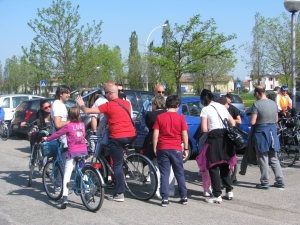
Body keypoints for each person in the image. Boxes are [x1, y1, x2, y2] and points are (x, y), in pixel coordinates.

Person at [76, 84, 136, 202]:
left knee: (117, 164)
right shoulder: (127, 103)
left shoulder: (108, 106)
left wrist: (81, 104)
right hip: (131, 136)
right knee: (119, 155)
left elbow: (88, 111)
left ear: (109, 94)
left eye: (105, 93)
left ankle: (119, 193)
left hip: (118, 137)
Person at [43, 107, 88, 209]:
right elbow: (82, 135)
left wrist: (47, 138)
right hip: (83, 151)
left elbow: (57, 134)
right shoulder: (82, 125)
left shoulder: (68, 126)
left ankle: (65, 197)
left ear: (69, 116)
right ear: (79, 116)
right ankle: (88, 190)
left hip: (72, 151)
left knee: (67, 173)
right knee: (82, 170)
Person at [200, 89, 236, 204]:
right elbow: (233, 122)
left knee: (213, 166)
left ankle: (216, 195)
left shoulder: (205, 110)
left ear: (203, 100)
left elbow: (204, 129)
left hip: (214, 138)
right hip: (225, 137)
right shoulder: (222, 106)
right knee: (225, 164)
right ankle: (229, 190)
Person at [153, 95, 188, 207]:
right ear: (177, 105)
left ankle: (164, 198)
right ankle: (183, 196)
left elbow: (156, 133)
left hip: (163, 147)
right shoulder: (181, 118)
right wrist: (186, 148)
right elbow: (184, 134)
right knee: (179, 173)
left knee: (164, 173)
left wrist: (155, 146)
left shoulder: (160, 117)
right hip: (176, 148)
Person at [251, 85, 284, 190]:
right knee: (274, 157)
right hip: (272, 131)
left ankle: (265, 182)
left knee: (263, 158)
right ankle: (280, 180)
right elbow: (276, 119)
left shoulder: (256, 104)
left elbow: (252, 122)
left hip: (261, 132)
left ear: (257, 93)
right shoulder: (274, 104)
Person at [144, 96, 175, 198]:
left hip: (155, 141)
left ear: (155, 104)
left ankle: (155, 189)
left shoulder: (150, 115)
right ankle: (170, 189)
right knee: (169, 168)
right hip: (169, 141)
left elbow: (149, 127)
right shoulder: (169, 114)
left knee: (154, 166)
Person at [21, 99, 54, 166]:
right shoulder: (38, 115)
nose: (48, 108)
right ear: (42, 108)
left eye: (49, 106)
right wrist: (25, 122)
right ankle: (34, 158)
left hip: (51, 134)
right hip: (42, 134)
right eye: (46, 107)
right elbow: (31, 120)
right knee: (34, 138)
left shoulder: (53, 115)